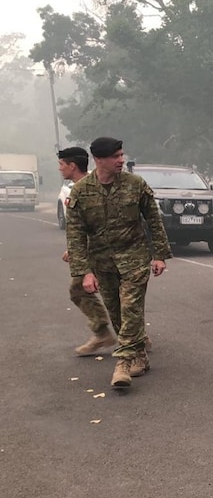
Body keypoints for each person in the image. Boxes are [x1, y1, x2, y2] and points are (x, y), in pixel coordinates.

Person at [65, 137, 172, 389]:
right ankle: (139, 355)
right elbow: (76, 235)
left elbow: (154, 221)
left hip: (134, 257)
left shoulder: (135, 185)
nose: (121, 160)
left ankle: (122, 363)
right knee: (117, 313)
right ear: (99, 160)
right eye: (115, 156)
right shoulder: (81, 191)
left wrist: (159, 255)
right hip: (102, 263)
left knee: (131, 308)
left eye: (122, 155)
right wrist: (84, 272)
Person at [58, 146, 114, 356]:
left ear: (72, 166)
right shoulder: (77, 188)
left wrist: (77, 250)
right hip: (92, 250)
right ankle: (130, 336)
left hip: (104, 251)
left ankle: (107, 334)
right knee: (111, 292)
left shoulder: (91, 188)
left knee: (87, 290)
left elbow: (100, 223)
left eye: (62, 164)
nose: (60, 169)